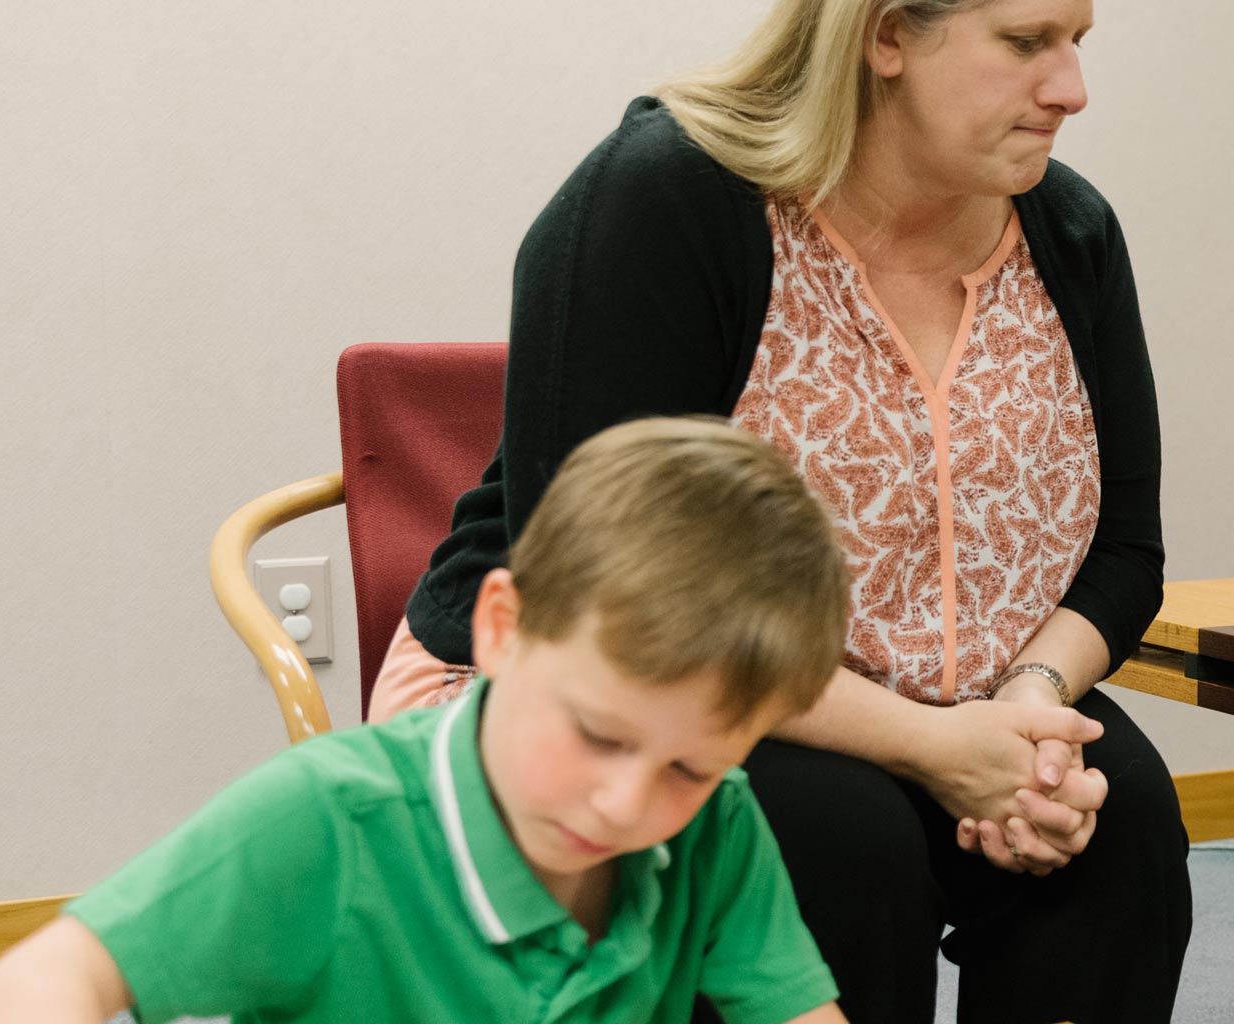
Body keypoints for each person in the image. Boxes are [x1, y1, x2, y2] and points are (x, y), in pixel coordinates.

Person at [367, 0, 1190, 1019]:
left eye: (1078, 43)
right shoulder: (666, 198)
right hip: (641, 678)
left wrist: (1030, 698)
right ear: (886, 36)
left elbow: (1126, 549)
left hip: (961, 700)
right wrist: (929, 745)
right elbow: (604, 596)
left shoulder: (1070, 232)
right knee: (837, 841)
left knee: (1123, 818)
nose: (1072, 89)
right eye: (1026, 43)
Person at [0, 417, 851, 1022]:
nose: (624, 804)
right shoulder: (327, 819)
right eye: (598, 735)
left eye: (687, 770)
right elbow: (46, 976)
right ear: (500, 628)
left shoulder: (718, 827)